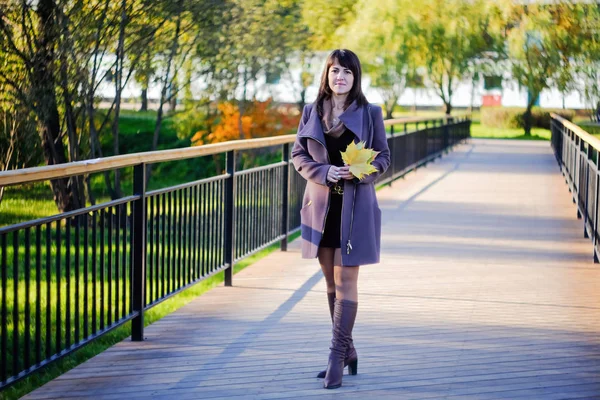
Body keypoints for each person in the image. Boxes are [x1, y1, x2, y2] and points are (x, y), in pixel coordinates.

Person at [291, 49, 390, 389]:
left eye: (347, 72)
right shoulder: (311, 111)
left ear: (355, 77)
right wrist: (325, 171)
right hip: (321, 210)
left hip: (354, 211)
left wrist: (360, 171)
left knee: (347, 282)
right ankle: (348, 350)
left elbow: (384, 158)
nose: (340, 77)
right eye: (335, 71)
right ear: (327, 75)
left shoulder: (370, 112)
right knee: (331, 284)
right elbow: (298, 154)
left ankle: (335, 358)